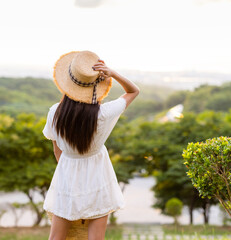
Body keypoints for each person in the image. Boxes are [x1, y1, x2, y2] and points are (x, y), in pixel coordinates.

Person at [42, 50, 139, 240]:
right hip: (97, 175)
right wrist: (113, 73)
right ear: (98, 86)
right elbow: (133, 91)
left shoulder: (55, 112)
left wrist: (69, 170)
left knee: (56, 238)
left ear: (68, 85)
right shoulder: (105, 113)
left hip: (67, 173)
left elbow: (56, 149)